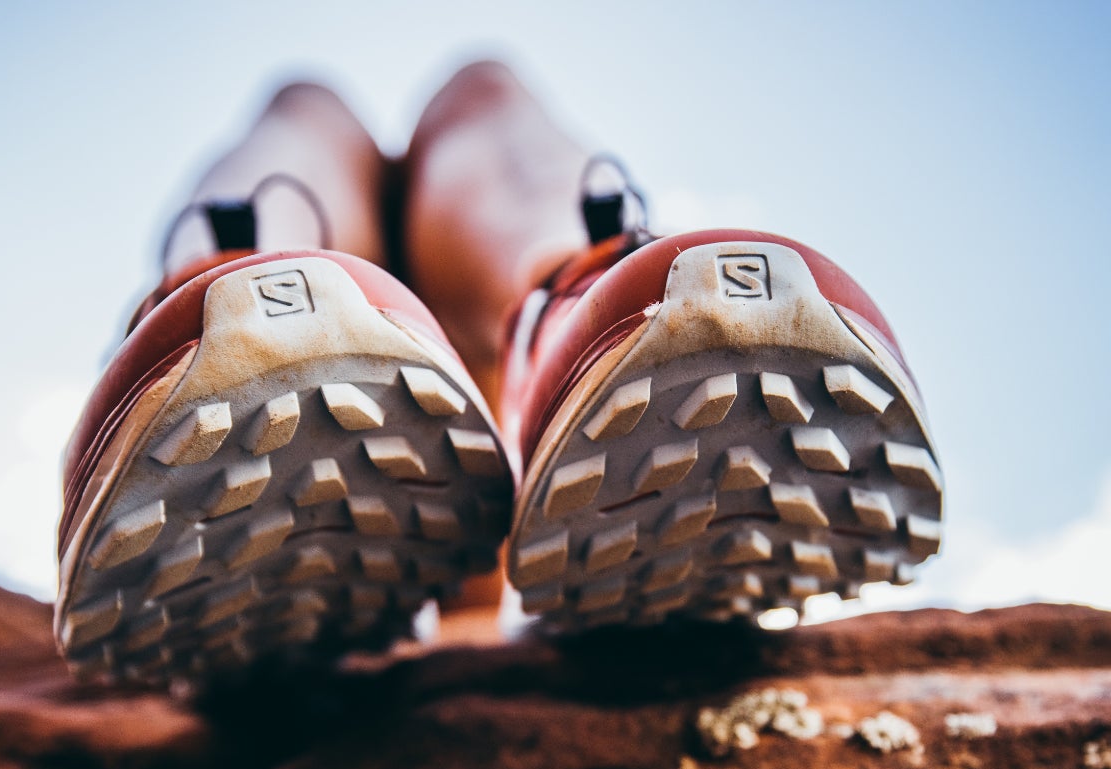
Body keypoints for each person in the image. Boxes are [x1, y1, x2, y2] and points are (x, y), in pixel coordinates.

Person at [54, 62, 943, 683]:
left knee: (459, 90)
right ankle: (569, 295)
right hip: (457, 499)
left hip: (471, 502)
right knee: (317, 107)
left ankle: (565, 306)